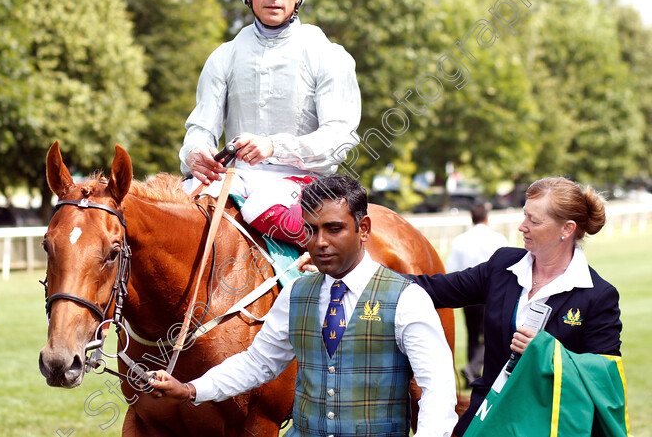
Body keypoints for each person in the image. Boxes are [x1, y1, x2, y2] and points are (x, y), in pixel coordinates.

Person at [149, 174, 459, 437]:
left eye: (334, 228)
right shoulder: (295, 293)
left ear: (363, 229)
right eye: (311, 230)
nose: (320, 242)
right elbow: (257, 363)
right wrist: (191, 390)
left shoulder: (407, 298)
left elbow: (438, 389)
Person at [179, 0, 361, 245]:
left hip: (306, 181)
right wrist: (196, 153)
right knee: (173, 204)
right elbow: (199, 129)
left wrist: (274, 146)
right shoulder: (223, 56)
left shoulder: (328, 54)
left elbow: (339, 139)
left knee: (259, 207)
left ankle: (333, 258)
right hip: (234, 178)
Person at [408, 176, 621, 437]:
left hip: (546, 425)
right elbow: (435, 289)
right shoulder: (503, 264)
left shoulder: (599, 295)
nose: (522, 227)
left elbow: (604, 377)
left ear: (566, 229)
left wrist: (544, 351)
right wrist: (370, 278)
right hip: (487, 417)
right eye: (524, 216)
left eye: (534, 220)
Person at [446, 202, 508, 384]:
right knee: (489, 335)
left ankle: (471, 372)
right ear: (487, 217)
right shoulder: (497, 239)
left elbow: (452, 269)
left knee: (472, 334)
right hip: (491, 294)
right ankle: (473, 368)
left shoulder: (460, 240)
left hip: (467, 294)